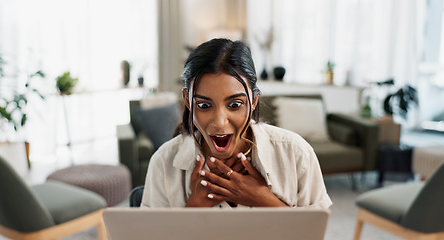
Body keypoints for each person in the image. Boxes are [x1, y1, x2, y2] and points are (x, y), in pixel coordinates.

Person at [141, 38, 332, 208]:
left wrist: (265, 200)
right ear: (188, 101)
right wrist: (194, 208)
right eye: (204, 105)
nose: (219, 122)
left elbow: (314, 233)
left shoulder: (296, 153)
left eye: (234, 104)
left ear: (254, 100)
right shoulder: (163, 162)